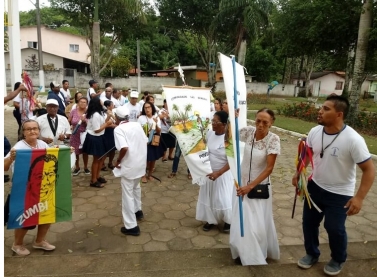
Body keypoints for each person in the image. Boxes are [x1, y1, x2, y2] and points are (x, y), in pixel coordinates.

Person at [292, 95, 375, 276]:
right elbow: (309, 153)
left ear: (339, 114)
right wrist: (299, 173)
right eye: (321, 107)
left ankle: (338, 258)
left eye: (326, 109)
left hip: (340, 194)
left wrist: (359, 198)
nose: (320, 111)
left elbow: (369, 170)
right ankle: (312, 253)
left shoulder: (354, 139)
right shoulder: (315, 131)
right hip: (314, 187)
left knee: (334, 228)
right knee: (309, 224)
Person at [230, 108, 280, 266]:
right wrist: (233, 118)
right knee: (241, 220)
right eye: (258, 120)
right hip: (242, 183)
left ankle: (256, 254)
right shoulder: (248, 132)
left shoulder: (273, 139)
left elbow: (269, 168)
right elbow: (229, 136)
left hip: (258, 188)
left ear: (271, 123)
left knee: (255, 224)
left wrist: (250, 187)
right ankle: (242, 250)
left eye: (265, 122)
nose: (260, 125)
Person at [4, 120, 55, 256]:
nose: (32, 131)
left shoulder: (42, 144)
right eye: (28, 129)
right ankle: (17, 244)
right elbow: (4, 167)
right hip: (24, 189)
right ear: (23, 132)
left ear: (39, 130)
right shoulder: (19, 147)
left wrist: (66, 152)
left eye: (35, 128)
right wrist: (11, 159)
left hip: (43, 186)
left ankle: (39, 241)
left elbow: (52, 158)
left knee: (46, 215)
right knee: (25, 217)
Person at [196, 111, 233, 233]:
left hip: (223, 174)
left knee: (223, 198)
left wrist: (219, 173)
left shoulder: (228, 138)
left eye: (215, 122)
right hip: (209, 173)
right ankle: (211, 220)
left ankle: (229, 220)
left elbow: (232, 161)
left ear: (223, 124)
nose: (213, 123)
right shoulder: (210, 133)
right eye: (212, 120)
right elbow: (203, 149)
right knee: (210, 197)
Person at [113, 106, 148, 236]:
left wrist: (118, 161)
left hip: (129, 165)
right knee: (136, 187)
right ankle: (138, 210)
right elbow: (145, 141)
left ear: (117, 117)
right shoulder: (137, 125)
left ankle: (131, 226)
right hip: (140, 164)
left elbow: (124, 148)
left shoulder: (118, 129)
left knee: (127, 194)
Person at [82, 97, 113, 188]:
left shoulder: (99, 113)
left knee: (102, 157)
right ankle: (93, 180)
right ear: (97, 104)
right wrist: (107, 124)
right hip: (94, 137)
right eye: (100, 102)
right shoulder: (95, 114)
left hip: (99, 137)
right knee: (97, 159)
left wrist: (108, 118)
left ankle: (97, 176)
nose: (102, 103)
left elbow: (101, 124)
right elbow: (96, 130)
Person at [138, 102, 163, 183]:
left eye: (149, 107)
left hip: (153, 141)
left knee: (153, 159)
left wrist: (155, 123)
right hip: (144, 140)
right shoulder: (141, 118)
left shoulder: (156, 118)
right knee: (144, 159)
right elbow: (137, 130)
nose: (147, 109)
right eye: (145, 108)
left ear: (152, 108)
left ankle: (150, 174)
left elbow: (159, 132)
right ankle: (143, 175)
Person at [68, 96, 90, 175]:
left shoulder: (88, 112)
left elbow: (91, 124)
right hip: (75, 134)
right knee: (75, 151)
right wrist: (69, 127)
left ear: (87, 104)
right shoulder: (74, 111)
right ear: (78, 103)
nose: (83, 103)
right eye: (81, 102)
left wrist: (85, 121)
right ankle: (77, 167)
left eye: (84, 102)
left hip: (84, 134)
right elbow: (69, 120)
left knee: (85, 152)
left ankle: (86, 167)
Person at [101, 100, 117, 171]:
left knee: (113, 149)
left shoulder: (113, 112)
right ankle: (102, 164)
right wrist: (110, 125)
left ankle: (110, 162)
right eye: (112, 104)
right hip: (106, 132)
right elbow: (102, 125)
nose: (113, 106)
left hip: (113, 132)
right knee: (106, 149)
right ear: (107, 106)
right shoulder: (103, 114)